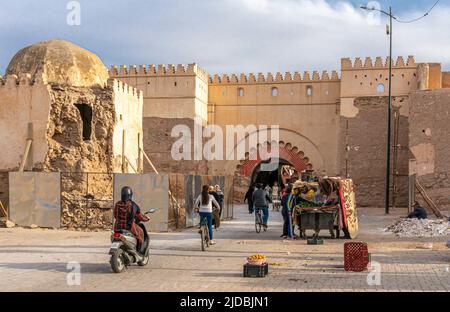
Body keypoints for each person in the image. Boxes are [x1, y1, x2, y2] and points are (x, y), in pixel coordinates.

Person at [113, 186, 149, 252]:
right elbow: (140, 216)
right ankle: (139, 250)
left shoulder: (117, 204)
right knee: (140, 232)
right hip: (129, 227)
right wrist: (147, 219)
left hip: (117, 227)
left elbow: (115, 215)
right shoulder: (133, 205)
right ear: (130, 195)